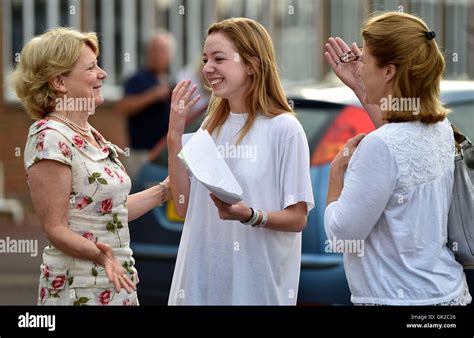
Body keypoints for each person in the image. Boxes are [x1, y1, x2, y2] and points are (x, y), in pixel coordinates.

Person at [12, 27, 170, 305]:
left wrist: (163, 191)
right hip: (81, 288)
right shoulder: (49, 137)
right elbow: (56, 228)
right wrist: (102, 255)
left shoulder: (90, 133)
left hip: (117, 281)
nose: (103, 74)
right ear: (60, 82)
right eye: (91, 67)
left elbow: (109, 213)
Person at [323, 12, 472, 305]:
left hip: (397, 299)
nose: (359, 66)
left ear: (388, 71)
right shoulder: (439, 128)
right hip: (447, 294)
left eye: (364, 60)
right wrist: (360, 87)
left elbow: (341, 235)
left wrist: (335, 176)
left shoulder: (381, 146)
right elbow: (397, 142)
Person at [166, 18, 314, 305]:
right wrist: (174, 136)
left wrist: (250, 215)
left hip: (255, 288)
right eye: (206, 59)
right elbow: (184, 206)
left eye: (219, 59)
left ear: (251, 65)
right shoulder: (211, 124)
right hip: (201, 285)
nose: (207, 68)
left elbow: (298, 218)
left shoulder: (284, 129)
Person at [115, 31, 174, 181]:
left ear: (170, 55)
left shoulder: (171, 80)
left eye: (162, 50)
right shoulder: (138, 79)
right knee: (140, 199)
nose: (157, 55)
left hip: (164, 155)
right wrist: (153, 95)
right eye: (154, 50)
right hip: (141, 155)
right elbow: (122, 107)